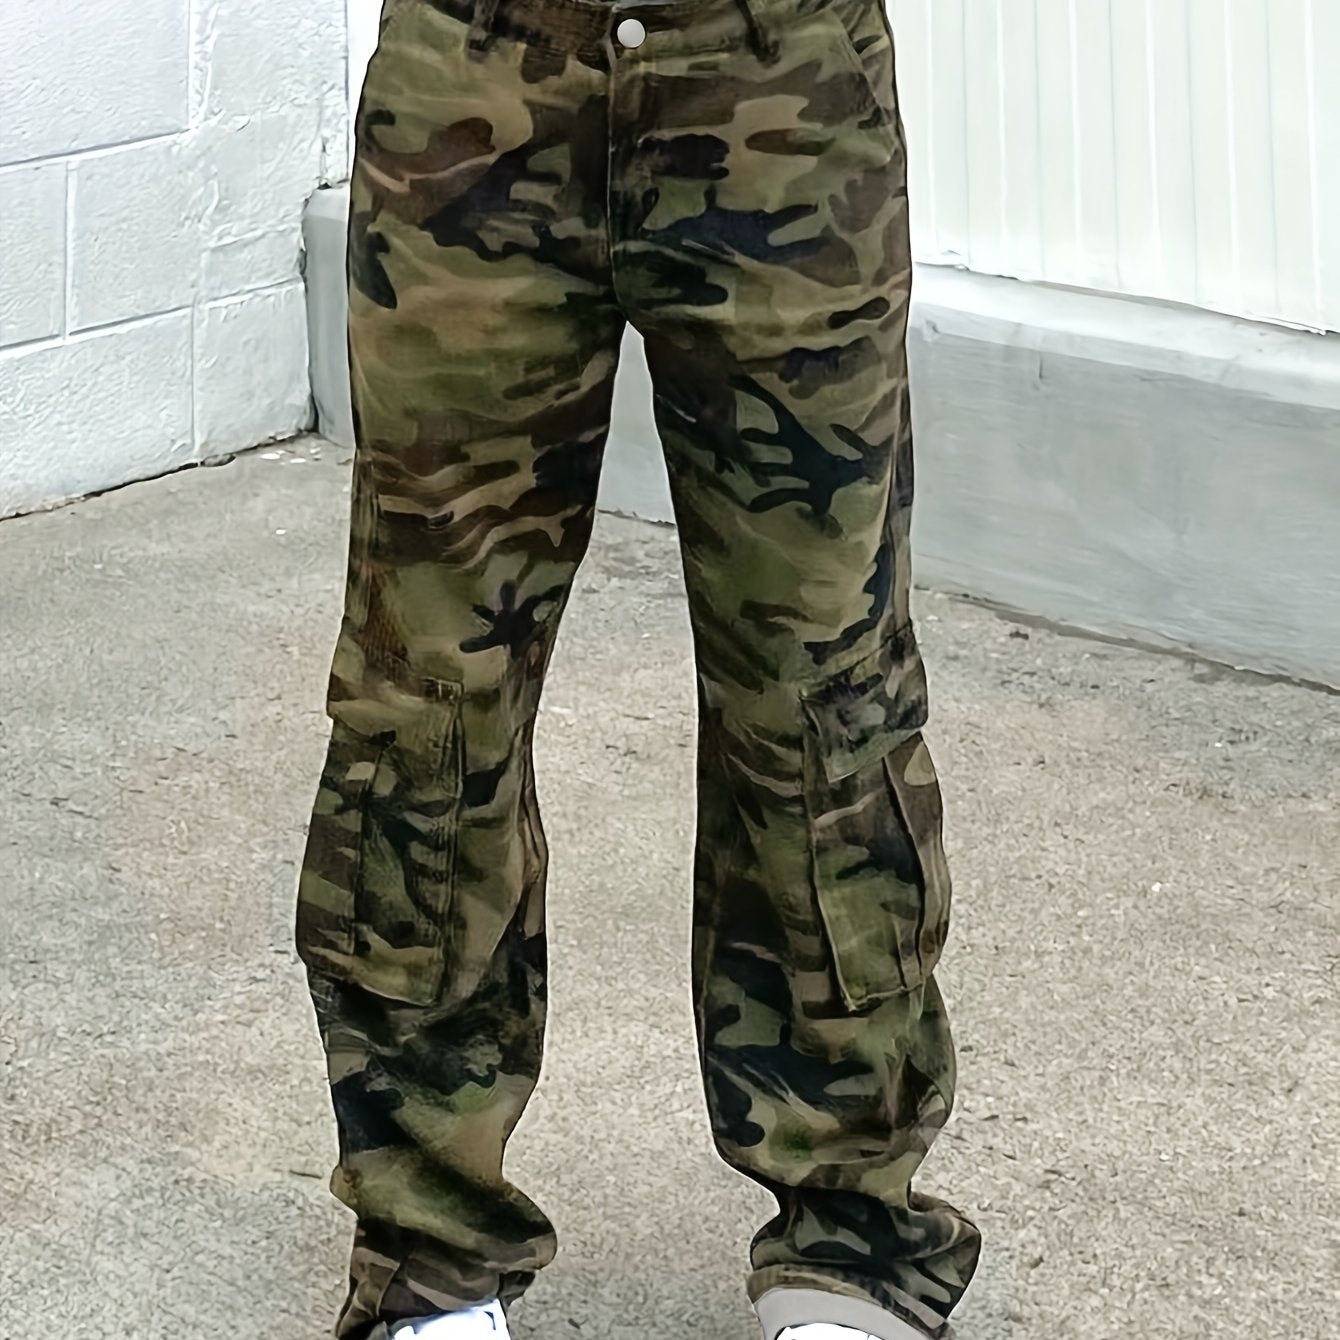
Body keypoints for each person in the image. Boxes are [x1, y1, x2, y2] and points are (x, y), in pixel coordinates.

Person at [294, 0, 982, 1336]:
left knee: (821, 695)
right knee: (427, 698)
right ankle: (429, 1257)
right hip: (474, 76)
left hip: (779, 76)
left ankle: (851, 1248)